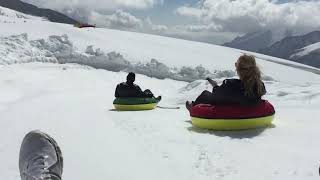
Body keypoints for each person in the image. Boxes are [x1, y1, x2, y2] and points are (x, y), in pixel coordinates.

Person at [186, 54, 266, 112]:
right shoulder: (260, 86)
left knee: (205, 94)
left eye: (236, 65)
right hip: (249, 112)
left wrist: (215, 86)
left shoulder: (230, 84)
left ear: (238, 69)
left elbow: (217, 95)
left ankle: (193, 107)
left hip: (228, 111)